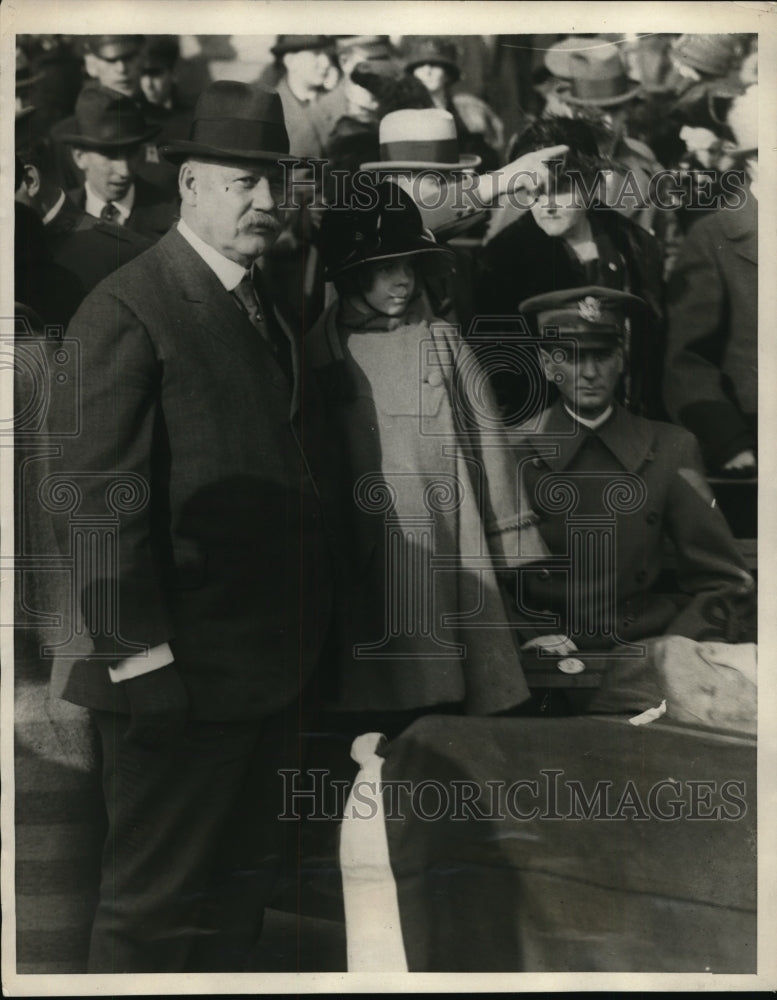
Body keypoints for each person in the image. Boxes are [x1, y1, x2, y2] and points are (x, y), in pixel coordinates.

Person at [44, 80, 335, 972]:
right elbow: (95, 500)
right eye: (239, 182)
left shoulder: (262, 301)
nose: (264, 202)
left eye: (273, 182)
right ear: (191, 186)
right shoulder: (131, 304)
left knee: (241, 892)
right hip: (173, 683)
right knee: (150, 912)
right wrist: (141, 660)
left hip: (266, 672)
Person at [308, 182, 547, 725]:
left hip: (453, 546)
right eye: (383, 268)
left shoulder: (442, 341)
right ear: (348, 274)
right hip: (371, 558)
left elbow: (490, 442)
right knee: (375, 703)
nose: (402, 280)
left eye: (410, 265)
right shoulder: (320, 355)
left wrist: (510, 542)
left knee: (452, 691)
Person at [499, 286, 754, 681]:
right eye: (570, 356)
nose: (588, 372)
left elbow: (723, 581)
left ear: (621, 360)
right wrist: (527, 634)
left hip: (642, 654)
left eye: (601, 355)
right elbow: (484, 577)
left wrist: (676, 654)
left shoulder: (670, 448)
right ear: (547, 363)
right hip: (538, 662)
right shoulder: (509, 450)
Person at [475, 116, 666, 422]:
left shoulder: (636, 247)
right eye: (535, 191)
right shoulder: (501, 259)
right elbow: (501, 373)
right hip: (545, 433)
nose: (547, 205)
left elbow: (653, 350)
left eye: (561, 189)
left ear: (592, 186)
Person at [663, 84, 757, 476]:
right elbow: (685, 359)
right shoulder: (714, 236)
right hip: (754, 441)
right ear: (753, 161)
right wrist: (729, 443)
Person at [59, 85, 178, 238]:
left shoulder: (172, 214)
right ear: (80, 157)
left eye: (132, 152)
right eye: (111, 156)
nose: (125, 171)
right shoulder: (60, 214)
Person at [402, 35, 504, 170]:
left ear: (448, 72)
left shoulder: (468, 113)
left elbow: (488, 158)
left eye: (434, 64)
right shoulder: (404, 114)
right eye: (420, 66)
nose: (427, 71)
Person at [269, 34, 334, 157]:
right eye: (316, 54)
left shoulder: (338, 101)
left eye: (327, 54)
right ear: (290, 61)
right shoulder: (270, 110)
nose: (326, 63)